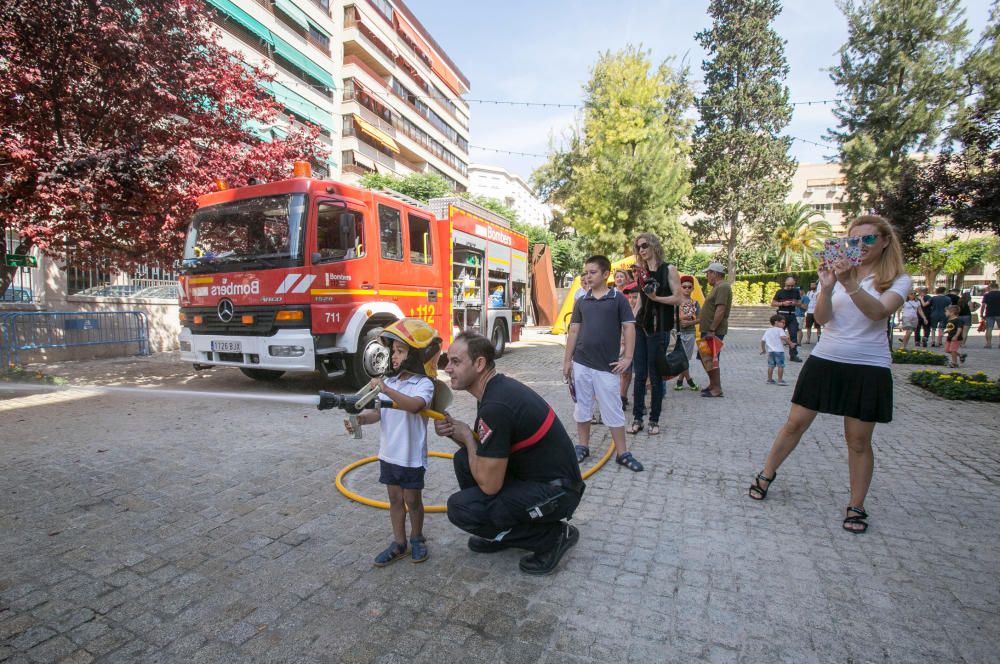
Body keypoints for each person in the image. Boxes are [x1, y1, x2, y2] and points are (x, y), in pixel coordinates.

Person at [747, 215, 911, 535]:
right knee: (795, 423)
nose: (860, 246)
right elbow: (822, 319)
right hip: (826, 358)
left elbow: (878, 312)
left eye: (868, 239)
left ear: (885, 242)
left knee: (858, 440)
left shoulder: (897, 279)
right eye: (854, 240)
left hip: (868, 365)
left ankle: (856, 504)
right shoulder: (838, 276)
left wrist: (849, 283)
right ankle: (767, 473)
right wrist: (827, 287)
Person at [436, 332, 584, 575]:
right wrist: (456, 433)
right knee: (463, 460)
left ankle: (552, 537)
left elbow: (490, 486)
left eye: (455, 361)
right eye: (447, 362)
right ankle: (501, 532)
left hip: (557, 493)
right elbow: (487, 450)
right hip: (537, 479)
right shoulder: (493, 390)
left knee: (461, 509)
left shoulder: (496, 405)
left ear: (480, 364)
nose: (447, 369)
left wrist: (466, 437)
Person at [344, 319, 441, 566]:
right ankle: (399, 542)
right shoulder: (393, 381)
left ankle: (417, 538)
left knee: (413, 501)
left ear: (416, 355)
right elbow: (380, 413)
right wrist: (361, 420)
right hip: (389, 455)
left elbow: (415, 406)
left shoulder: (423, 384)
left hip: (410, 457)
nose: (394, 357)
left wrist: (386, 390)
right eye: (393, 352)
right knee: (395, 501)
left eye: (400, 351)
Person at [564, 256, 643, 472]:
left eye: (593, 272)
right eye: (586, 273)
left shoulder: (618, 299)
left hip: (607, 366)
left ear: (606, 274)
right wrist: (567, 361)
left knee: (613, 408)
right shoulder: (582, 301)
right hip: (581, 363)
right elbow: (573, 331)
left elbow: (629, 327)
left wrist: (627, 357)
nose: (588, 276)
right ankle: (582, 446)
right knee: (582, 406)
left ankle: (622, 452)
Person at [629, 233, 682, 435]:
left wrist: (657, 297)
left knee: (656, 375)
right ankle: (637, 418)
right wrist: (630, 322)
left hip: (659, 329)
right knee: (639, 374)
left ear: (653, 246)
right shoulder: (641, 273)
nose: (641, 250)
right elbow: (641, 301)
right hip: (642, 327)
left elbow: (678, 298)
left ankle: (654, 419)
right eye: (638, 247)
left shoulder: (669, 269)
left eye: (644, 245)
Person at [699, 262, 732, 398]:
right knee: (705, 358)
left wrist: (712, 329)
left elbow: (720, 309)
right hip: (708, 329)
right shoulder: (717, 287)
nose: (707, 276)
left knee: (711, 358)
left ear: (715, 273)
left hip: (713, 331)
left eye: (708, 273)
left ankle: (717, 388)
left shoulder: (723, 287)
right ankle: (713, 384)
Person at [614, 268, 638, 409]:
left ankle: (628, 397)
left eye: (635, 297)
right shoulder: (621, 304)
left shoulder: (641, 309)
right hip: (624, 343)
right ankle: (621, 398)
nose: (631, 299)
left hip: (638, 345)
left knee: (637, 374)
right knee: (625, 372)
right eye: (629, 297)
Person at [673, 275, 701, 391]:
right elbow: (670, 317)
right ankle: (689, 380)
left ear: (693, 288)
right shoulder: (675, 302)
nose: (687, 289)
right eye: (684, 287)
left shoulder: (695, 303)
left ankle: (680, 381)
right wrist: (681, 319)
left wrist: (690, 323)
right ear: (680, 287)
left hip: (690, 333)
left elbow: (700, 318)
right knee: (681, 358)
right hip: (677, 333)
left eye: (689, 287)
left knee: (685, 358)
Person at [770, 276, 803, 362]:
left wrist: (794, 303)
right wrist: (783, 303)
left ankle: (793, 355)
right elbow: (773, 303)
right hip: (782, 315)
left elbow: (799, 303)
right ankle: (774, 354)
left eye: (792, 286)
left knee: (793, 335)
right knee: (777, 335)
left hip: (792, 315)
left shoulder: (796, 291)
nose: (791, 287)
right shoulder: (780, 292)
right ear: (785, 283)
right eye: (789, 286)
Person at [760, 314, 792, 385]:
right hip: (779, 351)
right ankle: (780, 380)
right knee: (780, 365)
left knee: (771, 366)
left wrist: (763, 349)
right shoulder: (780, 330)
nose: (784, 324)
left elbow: (762, 341)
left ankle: (769, 379)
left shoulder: (768, 330)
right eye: (782, 322)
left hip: (771, 352)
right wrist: (790, 343)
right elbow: (784, 338)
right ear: (776, 322)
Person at [982, 282, 1000, 348]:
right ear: (997, 287)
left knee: (989, 329)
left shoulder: (987, 295)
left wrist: (981, 314)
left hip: (989, 314)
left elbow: (983, 305)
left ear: (990, 287)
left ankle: (988, 344)